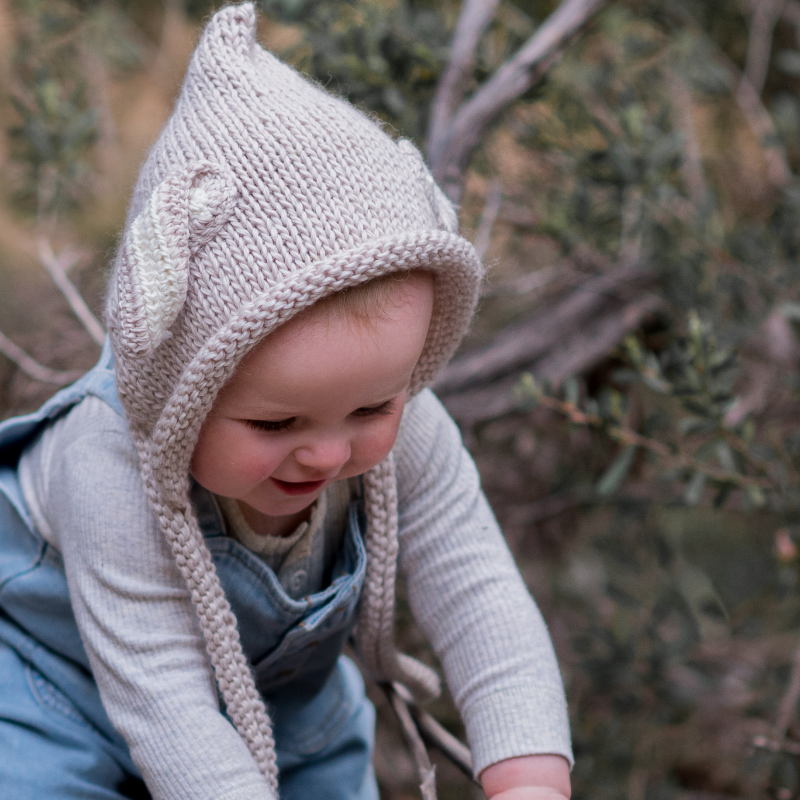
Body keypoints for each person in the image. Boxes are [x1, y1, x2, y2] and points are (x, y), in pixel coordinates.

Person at [0, 4, 572, 799]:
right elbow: (163, 697)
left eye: (373, 409)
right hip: (50, 694)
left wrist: (528, 774)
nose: (330, 453)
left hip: (276, 705)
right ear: (182, 385)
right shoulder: (106, 469)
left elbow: (478, 588)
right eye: (277, 423)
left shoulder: (407, 424)